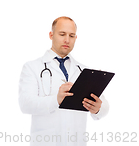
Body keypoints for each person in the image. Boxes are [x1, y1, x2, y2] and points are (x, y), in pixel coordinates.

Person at [18, 16, 110, 146]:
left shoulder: (82, 70)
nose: (67, 40)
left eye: (72, 36)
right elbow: (25, 104)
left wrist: (98, 108)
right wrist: (56, 100)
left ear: (76, 38)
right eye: (62, 34)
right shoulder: (32, 67)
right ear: (51, 35)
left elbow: (104, 106)